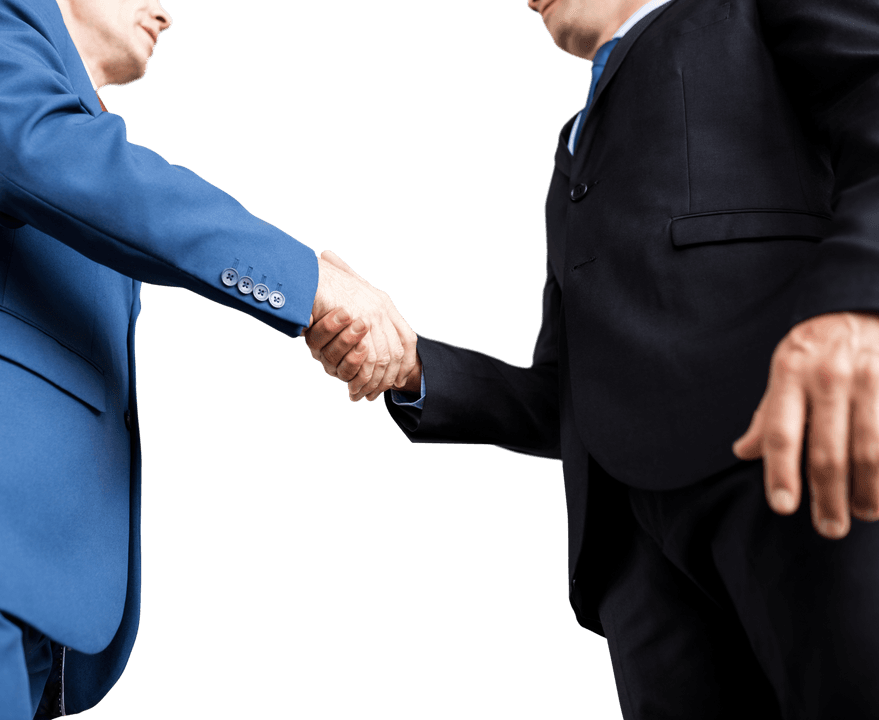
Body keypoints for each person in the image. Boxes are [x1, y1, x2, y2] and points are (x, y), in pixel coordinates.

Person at [0, 0, 416, 717]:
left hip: (7, 599)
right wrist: (308, 283)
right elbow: (40, 156)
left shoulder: (77, 133)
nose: (166, 11)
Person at [307, 0, 879, 717]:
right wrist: (415, 368)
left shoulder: (745, 12)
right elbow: (566, 391)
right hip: (631, 560)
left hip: (791, 464)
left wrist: (856, 304)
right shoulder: (571, 151)